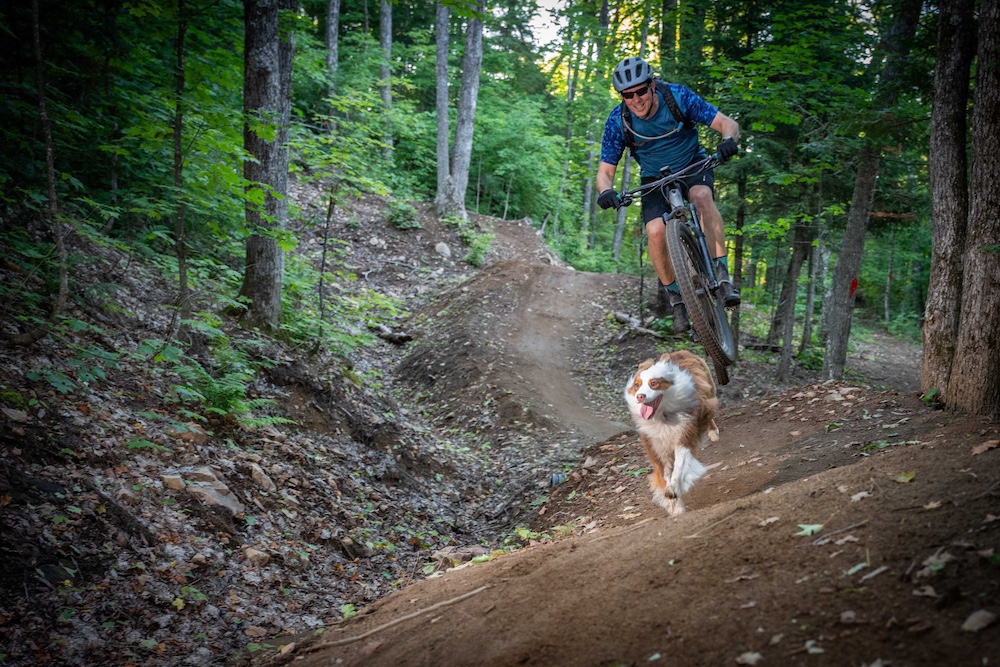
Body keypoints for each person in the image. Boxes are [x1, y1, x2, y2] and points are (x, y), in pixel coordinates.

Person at [596, 56, 740, 334]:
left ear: (652, 85)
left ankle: (722, 276)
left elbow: (728, 124)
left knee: (701, 197)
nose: (636, 99)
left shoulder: (678, 97)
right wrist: (606, 192)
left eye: (640, 91)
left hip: (692, 164)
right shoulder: (618, 121)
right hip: (654, 179)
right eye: (628, 95)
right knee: (654, 231)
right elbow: (605, 172)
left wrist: (728, 141)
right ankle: (676, 298)